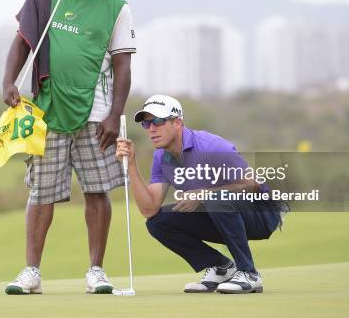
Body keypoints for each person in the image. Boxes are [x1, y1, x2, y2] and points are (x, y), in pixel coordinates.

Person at [2, 0, 136, 295]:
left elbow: (122, 68)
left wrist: (114, 115)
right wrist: (9, 82)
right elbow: (22, 42)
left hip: (97, 115)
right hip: (47, 112)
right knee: (41, 193)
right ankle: (31, 272)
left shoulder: (117, 7)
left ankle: (96, 271)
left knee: (97, 190)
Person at [115, 95, 287, 294]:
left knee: (215, 199)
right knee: (157, 222)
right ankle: (221, 267)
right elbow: (149, 209)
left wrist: (204, 193)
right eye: (147, 123)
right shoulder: (162, 156)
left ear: (177, 122)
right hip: (221, 214)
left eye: (158, 121)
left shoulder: (211, 146)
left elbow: (252, 184)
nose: (152, 128)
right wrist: (132, 165)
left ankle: (249, 274)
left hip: (263, 214)